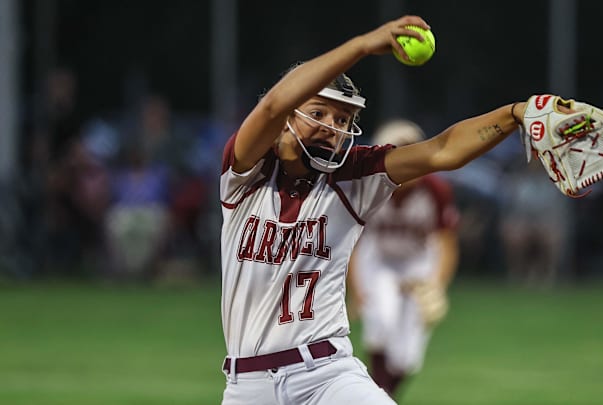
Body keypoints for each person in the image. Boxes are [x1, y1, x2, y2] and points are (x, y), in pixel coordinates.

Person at [218, 15, 572, 405]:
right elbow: (270, 107)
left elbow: (442, 150)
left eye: (342, 119)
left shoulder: (353, 174)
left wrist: (515, 114)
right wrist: (362, 46)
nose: (332, 126)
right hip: (248, 385)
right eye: (318, 113)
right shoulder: (247, 172)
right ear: (289, 118)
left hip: (327, 374)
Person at [347, 119, 460, 398]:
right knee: (382, 323)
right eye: (401, 151)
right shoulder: (368, 186)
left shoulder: (435, 189)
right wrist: (358, 288)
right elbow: (353, 243)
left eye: (414, 150)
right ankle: (378, 397)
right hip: (379, 260)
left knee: (408, 352)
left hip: (418, 263)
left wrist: (437, 285)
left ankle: (383, 396)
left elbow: (446, 243)